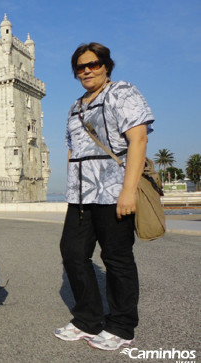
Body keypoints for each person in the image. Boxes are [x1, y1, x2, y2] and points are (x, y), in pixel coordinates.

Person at [54, 43, 154, 350]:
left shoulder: (123, 92)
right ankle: (87, 320)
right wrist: (72, 188)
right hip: (82, 196)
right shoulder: (76, 106)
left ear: (106, 66)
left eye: (93, 64)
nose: (87, 70)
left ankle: (122, 326)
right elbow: (73, 148)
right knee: (72, 252)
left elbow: (138, 139)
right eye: (80, 67)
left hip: (113, 191)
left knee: (116, 258)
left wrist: (128, 190)